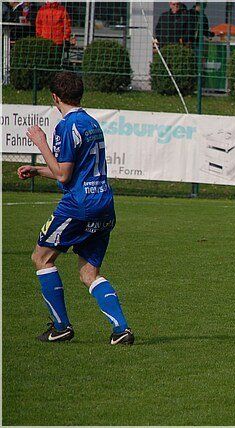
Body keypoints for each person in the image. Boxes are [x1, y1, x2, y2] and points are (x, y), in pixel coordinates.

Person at [16, 72, 134, 345]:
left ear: (55, 97)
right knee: (88, 273)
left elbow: (63, 175)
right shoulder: (91, 122)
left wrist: (40, 142)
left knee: (41, 258)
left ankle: (61, 327)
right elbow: (72, 171)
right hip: (103, 203)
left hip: (79, 206)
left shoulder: (66, 126)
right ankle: (121, 330)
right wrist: (37, 170)